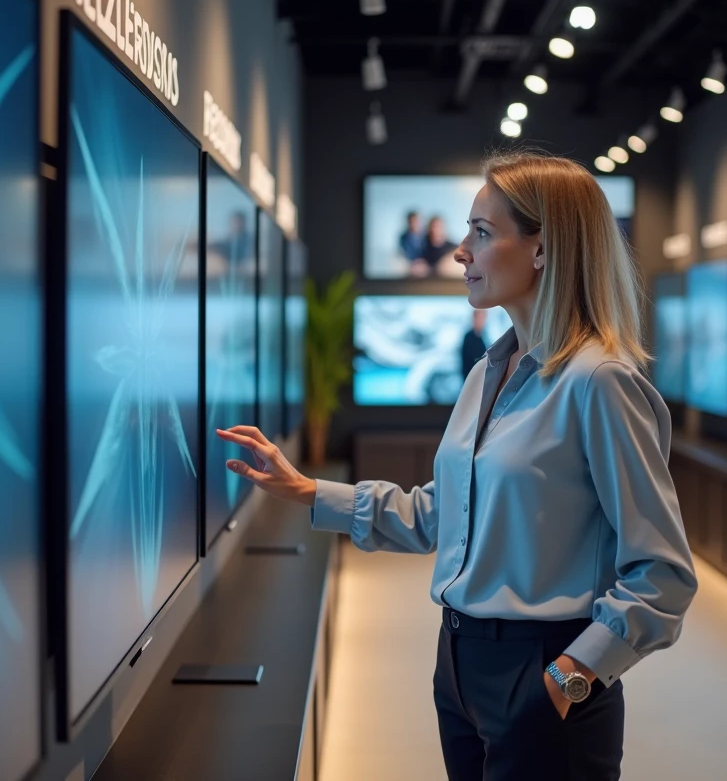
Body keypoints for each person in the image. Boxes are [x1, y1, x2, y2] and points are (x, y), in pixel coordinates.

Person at [217, 150, 696, 780]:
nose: (460, 252)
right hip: (460, 665)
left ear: (543, 250)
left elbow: (662, 572)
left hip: (545, 672)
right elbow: (442, 514)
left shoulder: (599, 383)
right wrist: (309, 491)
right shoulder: (486, 374)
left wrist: (569, 680)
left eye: (482, 233)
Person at [460, 309, 489, 380]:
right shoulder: (469, 337)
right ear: (474, 318)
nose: (482, 321)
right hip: (472, 378)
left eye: (483, 318)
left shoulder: (483, 336)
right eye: (480, 318)